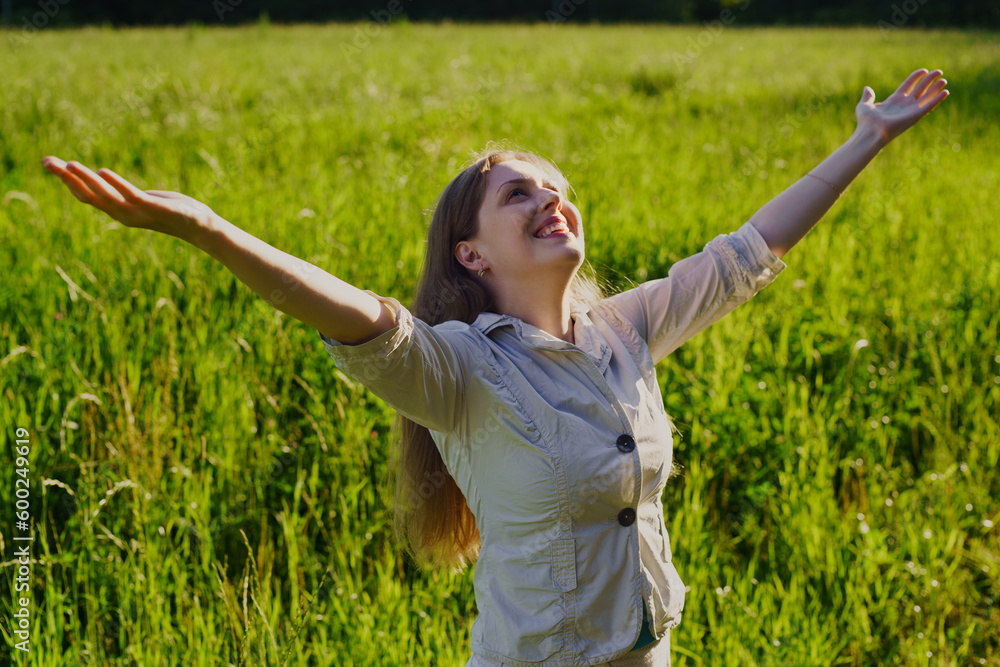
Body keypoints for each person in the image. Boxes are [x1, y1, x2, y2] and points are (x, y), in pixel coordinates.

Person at [42, 68, 948, 667]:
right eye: (520, 194)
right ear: (471, 254)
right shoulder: (459, 372)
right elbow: (350, 311)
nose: (551, 200)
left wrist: (868, 138)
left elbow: (747, 252)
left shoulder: (622, 330)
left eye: (558, 189)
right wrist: (206, 228)